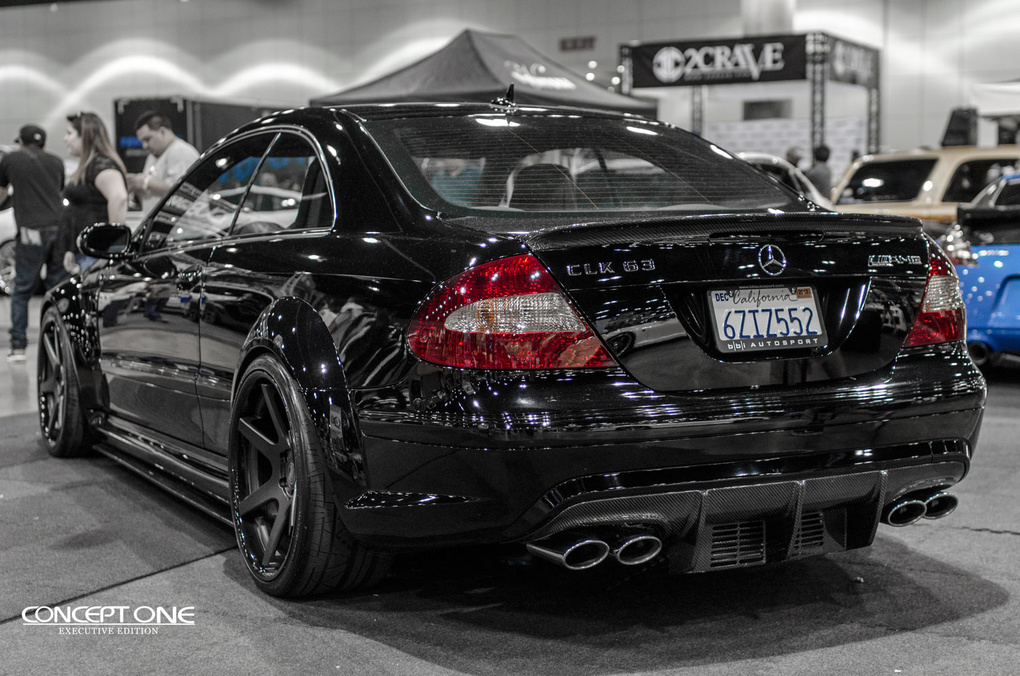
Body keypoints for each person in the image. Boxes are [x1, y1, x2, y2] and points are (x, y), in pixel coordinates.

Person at [0, 124, 68, 361]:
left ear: (21, 142)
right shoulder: (57, 161)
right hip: (58, 230)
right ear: (44, 143)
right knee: (56, 289)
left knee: (22, 291)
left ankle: (18, 347)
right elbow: (58, 192)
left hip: (30, 232)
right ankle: (59, 341)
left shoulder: (10, 159)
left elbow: (1, 194)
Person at [56, 112, 128, 275]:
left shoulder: (100, 164)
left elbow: (119, 198)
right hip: (87, 253)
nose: (65, 139)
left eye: (69, 133)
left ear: (85, 136)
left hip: (96, 255)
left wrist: (111, 249)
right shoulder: (90, 166)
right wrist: (71, 249)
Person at [126, 111, 199, 215]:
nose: (144, 146)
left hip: (184, 226)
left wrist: (145, 182)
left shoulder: (180, 151)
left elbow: (180, 188)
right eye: (142, 141)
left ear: (162, 131)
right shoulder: (153, 156)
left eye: (147, 139)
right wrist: (137, 186)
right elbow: (152, 189)